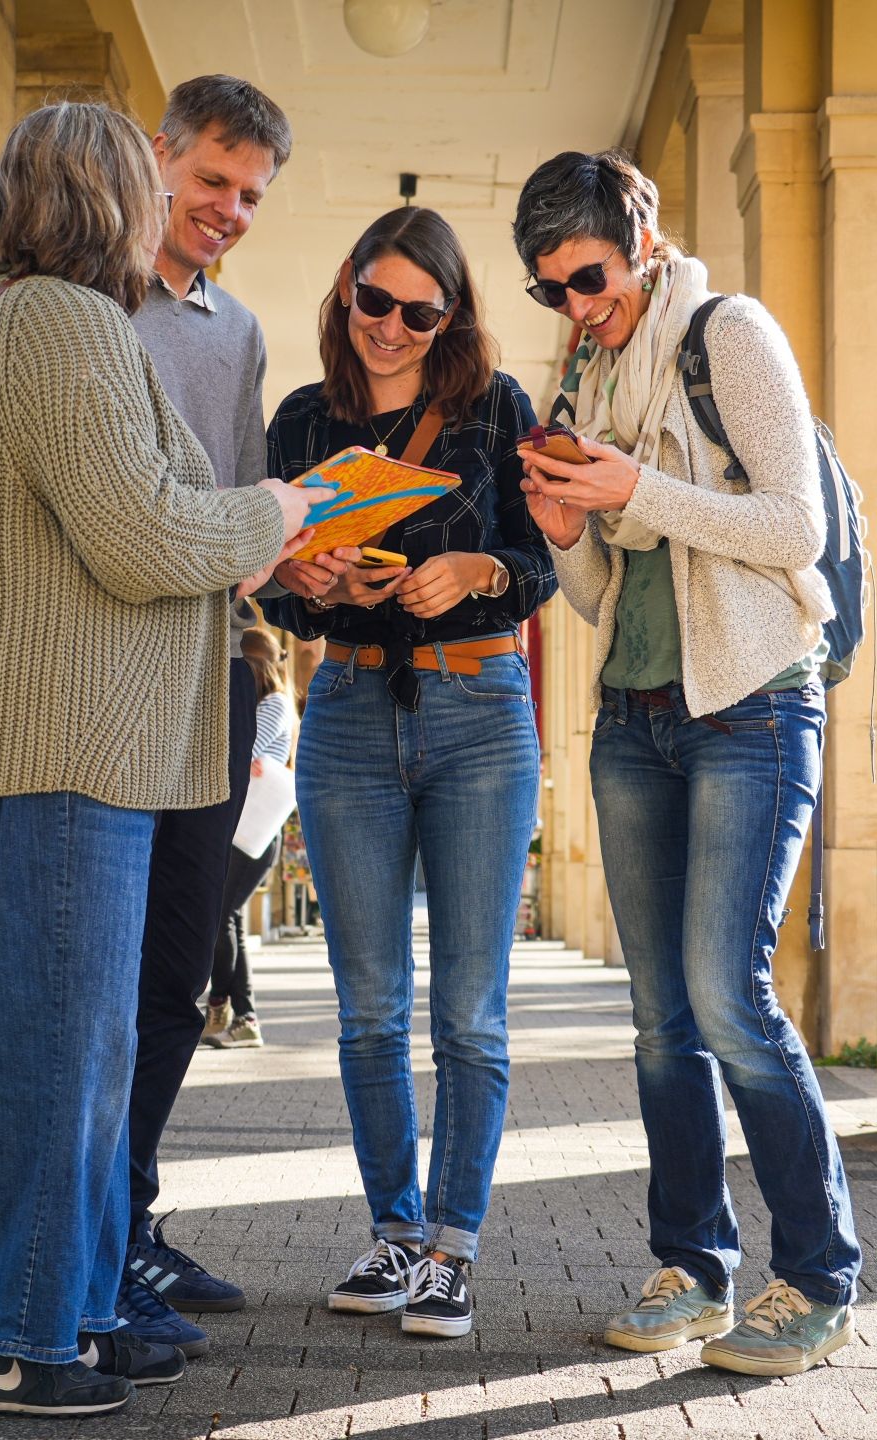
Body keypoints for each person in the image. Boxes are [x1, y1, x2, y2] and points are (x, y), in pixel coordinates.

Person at [0, 101, 318, 1419]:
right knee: (49, 1058)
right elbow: (141, 537)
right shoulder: (60, 325)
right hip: (63, 745)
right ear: (102, 195)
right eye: (150, 183)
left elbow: (126, 516)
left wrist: (243, 523)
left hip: (64, 741)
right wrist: (273, 514)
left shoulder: (17, 318)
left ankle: (68, 1310)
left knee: (81, 1057)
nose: (168, 209)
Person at [511, 150, 862, 1376]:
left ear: (640, 239)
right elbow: (606, 587)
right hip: (636, 719)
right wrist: (568, 530)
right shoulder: (591, 379)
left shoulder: (731, 334)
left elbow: (794, 527)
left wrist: (638, 487)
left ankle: (815, 1277)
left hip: (751, 707)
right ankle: (694, 1268)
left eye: (588, 278)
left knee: (727, 996)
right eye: (551, 289)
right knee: (659, 1020)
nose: (575, 305)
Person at [263, 206, 555, 1340]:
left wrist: (474, 569)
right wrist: (320, 587)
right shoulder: (301, 419)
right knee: (368, 1010)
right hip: (343, 710)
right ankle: (392, 1238)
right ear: (345, 291)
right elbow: (273, 579)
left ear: (452, 314)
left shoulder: (495, 409)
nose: (390, 328)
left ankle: (453, 1249)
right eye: (373, 302)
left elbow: (536, 563)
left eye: (418, 312)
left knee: (468, 1016)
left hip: (479, 709)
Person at [114, 75, 295, 1348]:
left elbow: (238, 520)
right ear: (158, 155)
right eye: (213, 181)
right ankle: (81, 1240)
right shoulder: (74, 299)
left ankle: (125, 1220)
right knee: (90, 983)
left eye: (251, 195)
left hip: (209, 679)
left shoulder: (233, 333)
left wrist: (306, 554)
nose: (228, 210)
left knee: (178, 976)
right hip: (98, 682)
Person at [203, 628, 298, 1049]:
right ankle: (240, 1016)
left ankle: (226, 1008)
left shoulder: (275, 704)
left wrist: (240, 752)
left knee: (219, 914)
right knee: (230, 918)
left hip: (255, 831)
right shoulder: (261, 703)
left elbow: (243, 750)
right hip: (241, 827)